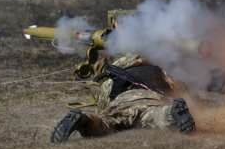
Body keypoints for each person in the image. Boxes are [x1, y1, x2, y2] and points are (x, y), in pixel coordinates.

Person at [50, 54, 195, 143]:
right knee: (156, 117)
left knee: (104, 124)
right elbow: (179, 89)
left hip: (121, 101)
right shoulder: (159, 70)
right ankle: (171, 112)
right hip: (150, 98)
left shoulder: (111, 76)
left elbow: (103, 104)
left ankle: (83, 120)